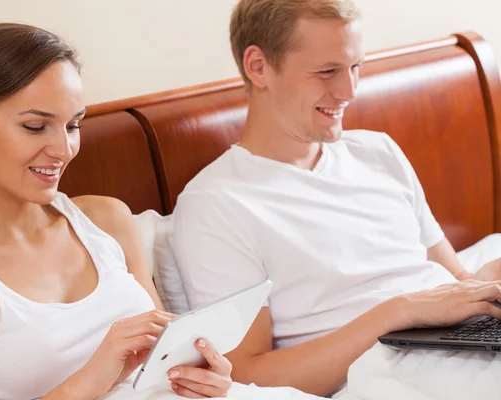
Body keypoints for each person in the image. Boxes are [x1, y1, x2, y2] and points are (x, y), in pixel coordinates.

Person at [170, 0, 501, 397]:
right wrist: (399, 311)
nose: (349, 91)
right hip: (392, 369)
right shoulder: (217, 205)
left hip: (468, 343)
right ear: (258, 66)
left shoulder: (379, 152)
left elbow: (455, 280)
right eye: (327, 71)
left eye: (356, 66)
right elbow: (244, 375)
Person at [0, 23, 233, 400]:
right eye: (35, 126)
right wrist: (89, 380)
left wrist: (199, 376)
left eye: (73, 125)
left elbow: (161, 360)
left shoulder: (107, 221)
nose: (63, 149)